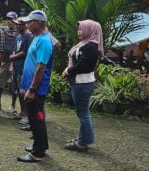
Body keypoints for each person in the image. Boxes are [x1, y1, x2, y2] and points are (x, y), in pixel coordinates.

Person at [17, 10, 53, 163]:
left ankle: (38, 153)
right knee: (35, 118)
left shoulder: (44, 41)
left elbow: (41, 67)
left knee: (36, 119)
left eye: (30, 22)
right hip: (31, 86)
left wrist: (32, 89)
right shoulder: (37, 38)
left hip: (37, 88)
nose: (27, 24)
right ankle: (40, 145)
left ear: (39, 23)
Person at [62, 20, 103, 152]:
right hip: (79, 82)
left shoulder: (91, 46)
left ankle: (83, 142)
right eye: (78, 29)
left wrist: (68, 71)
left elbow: (83, 65)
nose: (79, 32)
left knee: (83, 113)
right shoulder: (85, 44)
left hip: (82, 83)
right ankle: (82, 138)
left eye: (81, 29)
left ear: (90, 30)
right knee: (82, 112)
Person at [9, 18, 32, 123]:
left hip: (23, 68)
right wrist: (12, 66)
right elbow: (15, 50)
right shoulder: (18, 36)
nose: (17, 26)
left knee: (23, 92)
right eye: (16, 25)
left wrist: (12, 57)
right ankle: (22, 112)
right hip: (16, 67)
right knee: (17, 91)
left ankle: (27, 114)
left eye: (19, 25)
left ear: (25, 25)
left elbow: (24, 52)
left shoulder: (28, 37)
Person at [0, 11, 18, 114]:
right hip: (5, 61)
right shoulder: (2, 30)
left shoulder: (20, 31)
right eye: (8, 19)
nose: (10, 22)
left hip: (16, 62)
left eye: (12, 20)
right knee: (0, 82)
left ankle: (13, 105)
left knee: (15, 85)